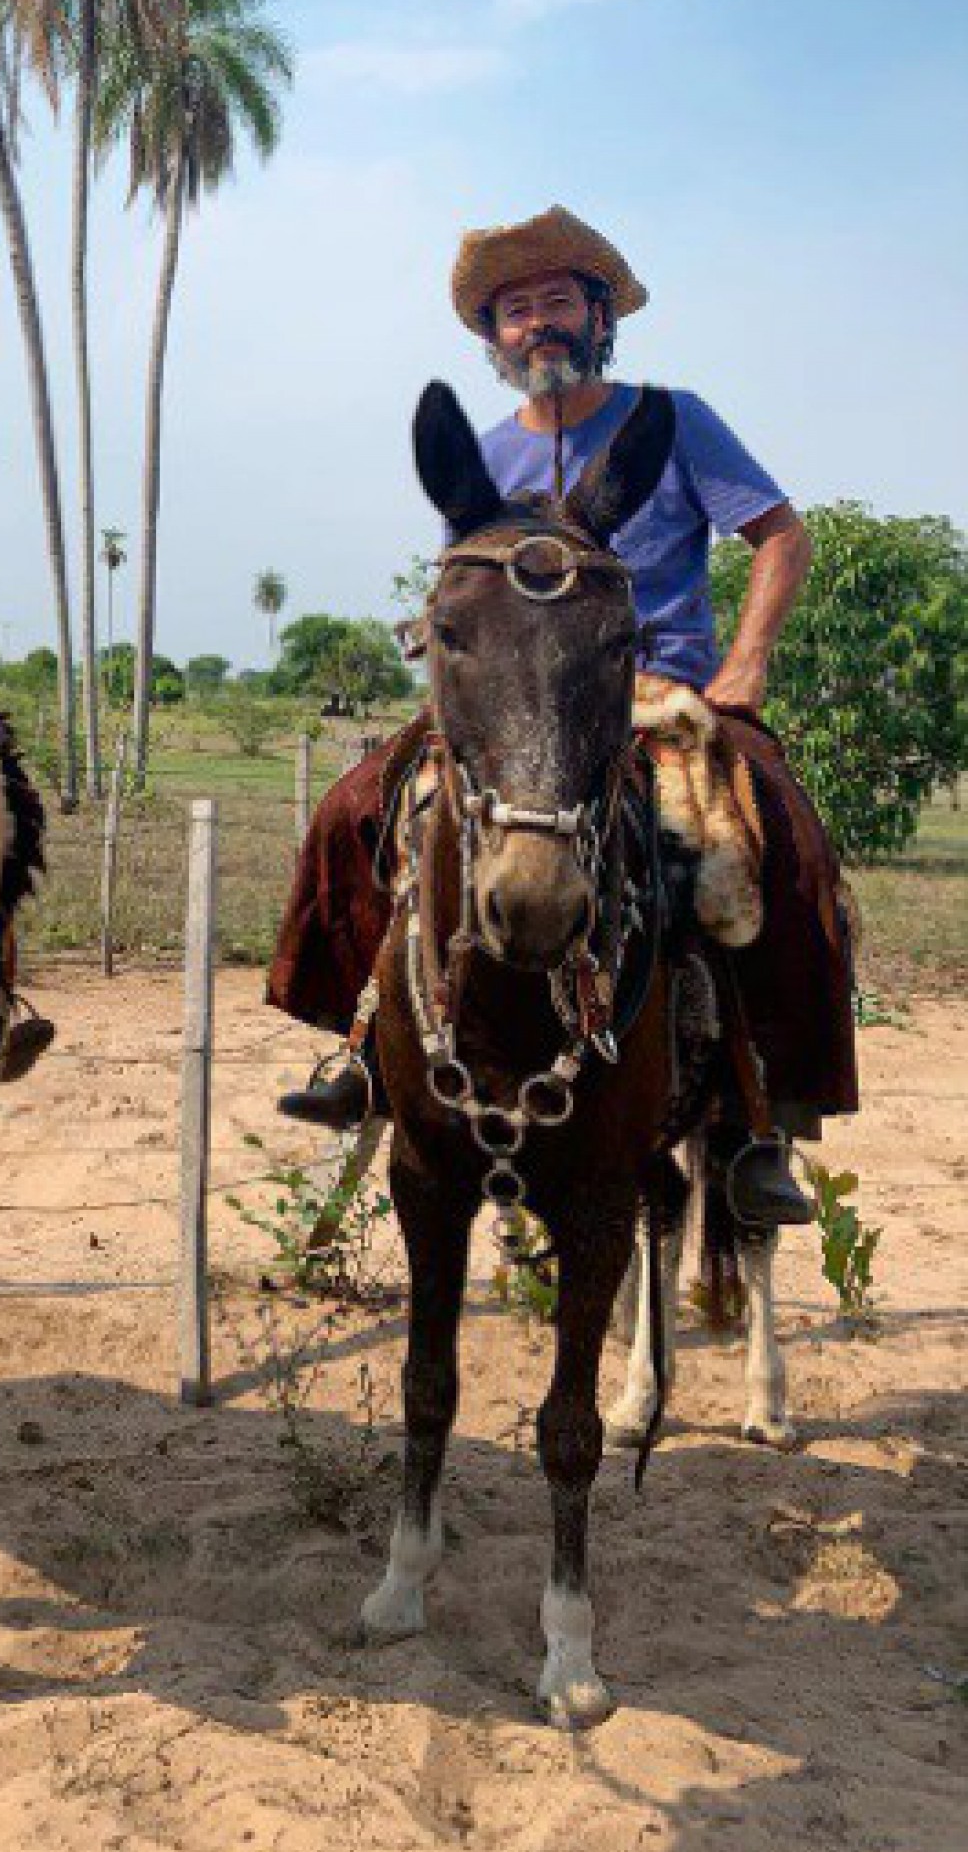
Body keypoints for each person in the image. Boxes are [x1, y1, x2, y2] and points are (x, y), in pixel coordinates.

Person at [270, 206, 855, 1225]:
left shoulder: (668, 420)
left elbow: (781, 536)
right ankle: (365, 1047)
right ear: (492, 340)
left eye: (554, 302)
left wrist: (747, 662)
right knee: (358, 810)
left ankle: (764, 1114)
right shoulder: (484, 456)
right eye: (512, 310)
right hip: (519, 707)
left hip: (667, 696)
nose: (535, 323)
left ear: (597, 318)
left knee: (777, 846)